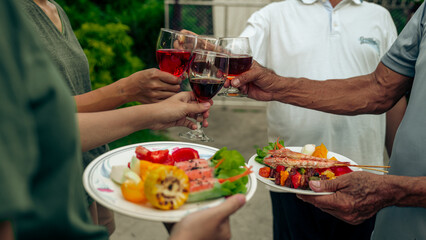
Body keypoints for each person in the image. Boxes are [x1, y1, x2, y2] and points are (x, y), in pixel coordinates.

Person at [0, 0, 245, 239]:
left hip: (85, 169)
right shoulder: (11, 13)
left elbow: (59, 107)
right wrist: (129, 93)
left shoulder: (55, 9)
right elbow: (35, 126)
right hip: (43, 192)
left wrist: (148, 110)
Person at [231, 1, 426, 237]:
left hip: (364, 177)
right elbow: (234, 52)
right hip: (291, 179)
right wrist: (205, 50)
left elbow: (389, 96)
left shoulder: (380, 16)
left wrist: (397, 181)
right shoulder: (273, 13)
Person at [18, 0, 185, 234]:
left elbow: (71, 94)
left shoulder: (55, 9)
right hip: (47, 180)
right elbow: (34, 119)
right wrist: (129, 93)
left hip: (85, 162)